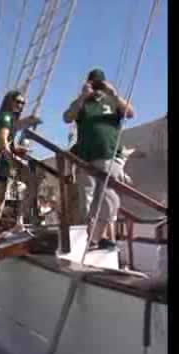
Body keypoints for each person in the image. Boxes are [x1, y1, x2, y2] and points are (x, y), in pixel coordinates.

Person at [63, 68, 134, 249]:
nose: (97, 89)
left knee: (110, 201)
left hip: (110, 155)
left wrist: (114, 94)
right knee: (87, 200)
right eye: (94, 84)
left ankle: (97, 237)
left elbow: (130, 113)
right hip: (87, 158)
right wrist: (82, 98)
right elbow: (67, 117)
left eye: (99, 84)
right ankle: (94, 238)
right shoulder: (82, 104)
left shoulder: (112, 101)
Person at [0, 90, 40, 236]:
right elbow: (3, 142)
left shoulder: (9, 118)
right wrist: (12, 160)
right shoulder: (6, 117)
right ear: (10, 101)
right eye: (18, 102)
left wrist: (17, 149)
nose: (21, 105)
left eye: (23, 103)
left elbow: (7, 141)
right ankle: (9, 225)